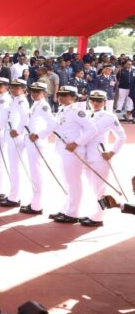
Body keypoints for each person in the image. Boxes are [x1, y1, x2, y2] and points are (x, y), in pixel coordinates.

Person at [51, 85, 96, 224]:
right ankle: (66, 209)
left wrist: (77, 143)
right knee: (67, 182)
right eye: (60, 94)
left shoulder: (77, 111)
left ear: (74, 97)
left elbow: (92, 129)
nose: (61, 97)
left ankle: (72, 213)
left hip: (73, 151)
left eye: (65, 95)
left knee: (73, 182)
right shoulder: (62, 109)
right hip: (63, 150)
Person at [81, 90, 126, 226]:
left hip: (100, 156)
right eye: (93, 100)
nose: (95, 103)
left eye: (99, 101)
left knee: (100, 188)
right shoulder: (85, 114)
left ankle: (99, 217)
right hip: (85, 156)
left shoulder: (109, 116)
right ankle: (95, 212)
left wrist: (112, 152)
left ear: (105, 102)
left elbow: (122, 136)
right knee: (93, 188)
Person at [20, 82, 56, 215]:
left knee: (37, 173)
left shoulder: (44, 106)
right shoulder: (36, 104)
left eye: (37, 92)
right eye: (33, 91)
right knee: (34, 173)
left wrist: (39, 135)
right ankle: (35, 202)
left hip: (36, 143)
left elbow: (53, 124)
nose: (34, 93)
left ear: (45, 94)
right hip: (31, 141)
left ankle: (37, 205)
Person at [0, 79, 30, 208]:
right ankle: (13, 194)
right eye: (12, 87)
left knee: (16, 168)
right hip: (11, 136)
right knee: (13, 167)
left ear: (23, 89)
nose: (13, 89)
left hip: (16, 137)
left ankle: (15, 197)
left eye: (17, 87)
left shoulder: (22, 101)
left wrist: (18, 131)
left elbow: (25, 118)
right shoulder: (15, 100)